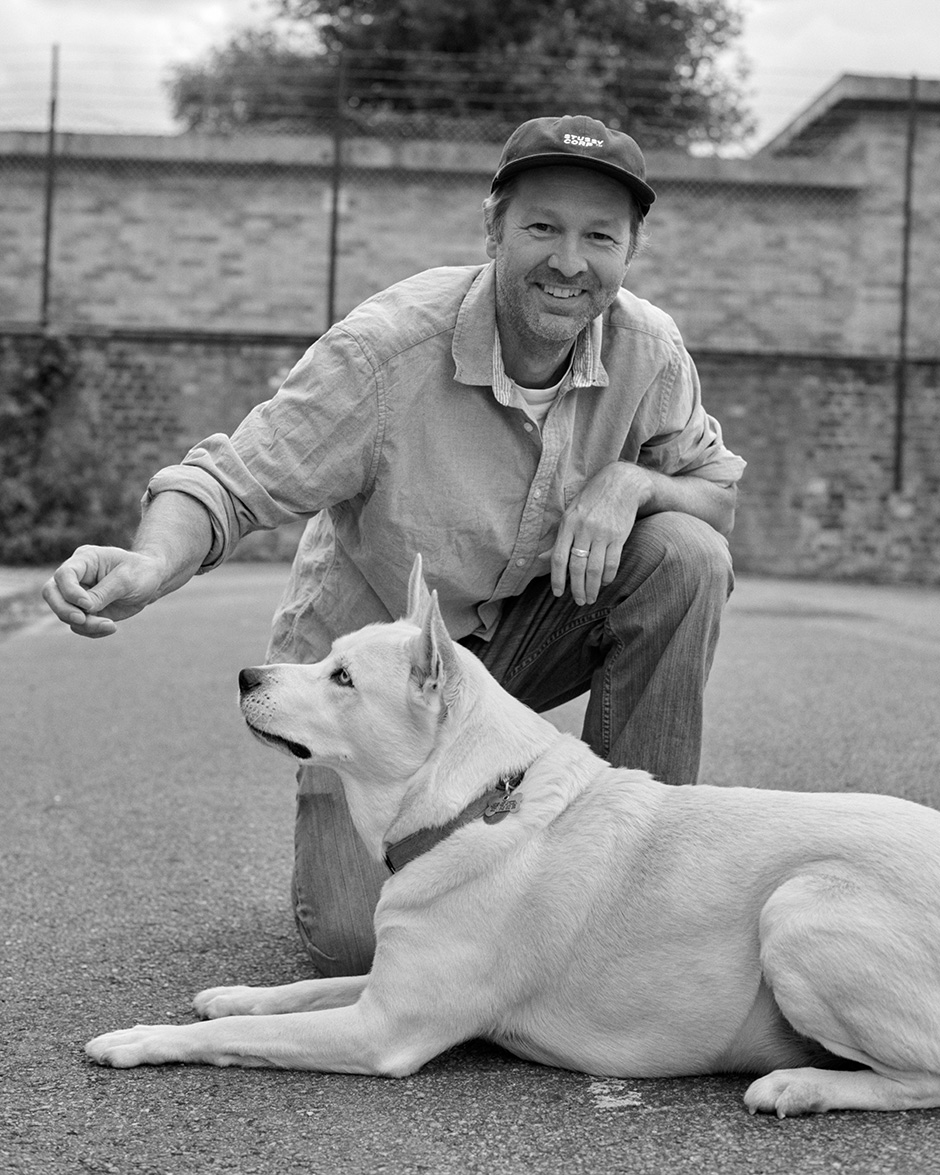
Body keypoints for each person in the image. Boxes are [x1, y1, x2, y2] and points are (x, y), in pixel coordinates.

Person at [43, 114, 745, 977]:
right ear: (493, 229)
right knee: (358, 947)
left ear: (629, 250)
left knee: (683, 554)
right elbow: (227, 482)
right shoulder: (386, 352)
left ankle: (634, 892)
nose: (570, 261)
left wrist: (638, 483)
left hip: (507, 664)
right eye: (541, 228)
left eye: (599, 236)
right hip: (369, 689)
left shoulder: (650, 351)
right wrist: (150, 564)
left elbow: (715, 500)